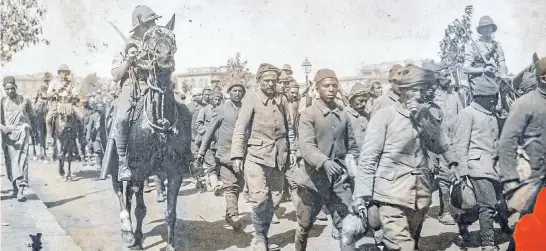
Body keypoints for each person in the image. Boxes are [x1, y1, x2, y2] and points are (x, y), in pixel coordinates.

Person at [353, 64, 457, 250]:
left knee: (408, 244)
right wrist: (362, 195)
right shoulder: (384, 116)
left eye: (422, 90)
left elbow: (441, 145)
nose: (419, 95)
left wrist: (422, 121)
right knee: (403, 246)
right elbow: (368, 158)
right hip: (391, 196)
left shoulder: (426, 115)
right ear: (403, 91)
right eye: (414, 90)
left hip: (420, 195)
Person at [231, 63, 296, 251]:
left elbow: (289, 127)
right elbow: (240, 128)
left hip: (279, 157)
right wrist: (236, 155)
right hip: (256, 156)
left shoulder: (282, 99)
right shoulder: (251, 99)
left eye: (273, 81)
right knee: (259, 199)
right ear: (259, 82)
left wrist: (292, 151)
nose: (270, 84)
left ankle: (264, 235)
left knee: (275, 200)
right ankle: (259, 238)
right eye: (266, 81)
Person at [293, 68, 359, 251]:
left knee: (346, 225)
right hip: (312, 181)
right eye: (326, 86)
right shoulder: (308, 114)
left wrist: (353, 171)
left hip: (338, 180)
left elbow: (352, 146)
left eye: (334, 86)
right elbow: (306, 147)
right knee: (305, 224)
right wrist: (324, 162)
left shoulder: (343, 114)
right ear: (317, 88)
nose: (331, 89)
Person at [109, 5, 162, 181]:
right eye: (150, 22)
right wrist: (128, 60)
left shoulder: (156, 42)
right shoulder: (124, 44)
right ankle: (123, 164)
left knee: (179, 109)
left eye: (154, 21)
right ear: (140, 25)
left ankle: (182, 159)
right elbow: (116, 76)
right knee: (122, 118)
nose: (153, 25)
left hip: (153, 85)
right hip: (131, 86)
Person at [499, 57, 546, 251]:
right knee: (528, 223)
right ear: (544, 78)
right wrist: (510, 179)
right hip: (533, 178)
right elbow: (506, 142)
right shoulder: (525, 104)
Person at [452, 76, 504, 251]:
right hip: (477, 168)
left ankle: (463, 224)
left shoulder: (492, 113)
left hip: (494, 168)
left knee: (483, 206)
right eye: (489, 96)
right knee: (488, 206)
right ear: (479, 96)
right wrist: (462, 172)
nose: (493, 99)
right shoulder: (467, 114)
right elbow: (460, 145)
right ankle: (487, 244)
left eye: (494, 96)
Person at [197, 80, 246, 231]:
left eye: (240, 91)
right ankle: (234, 215)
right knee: (230, 186)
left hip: (244, 156)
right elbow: (210, 130)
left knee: (239, 185)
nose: (237, 93)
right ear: (229, 94)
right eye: (234, 91)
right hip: (226, 155)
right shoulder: (222, 109)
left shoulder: (247, 108)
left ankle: (229, 214)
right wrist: (202, 151)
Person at [423, 62, 464, 225]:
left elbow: (461, 117)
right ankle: (441, 210)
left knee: (449, 177)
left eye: (449, 74)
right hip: (433, 147)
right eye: (444, 75)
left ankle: (447, 209)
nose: (448, 78)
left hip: (451, 143)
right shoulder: (429, 98)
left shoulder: (453, 95)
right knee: (437, 179)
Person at [1, 76, 35, 202]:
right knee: (10, 162)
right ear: (4, 89)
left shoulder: (24, 100)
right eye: (7, 89)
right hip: (8, 136)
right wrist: (3, 127)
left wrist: (33, 129)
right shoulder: (2, 101)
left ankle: (21, 190)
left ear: (16, 87)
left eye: (12, 88)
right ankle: (15, 188)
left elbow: (32, 115)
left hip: (22, 132)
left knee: (22, 161)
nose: (10, 91)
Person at [463, 15, 508, 90]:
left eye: (489, 27)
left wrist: (503, 75)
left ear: (492, 28)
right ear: (480, 30)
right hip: (479, 87)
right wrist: (483, 70)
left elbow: (502, 65)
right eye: (484, 27)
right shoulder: (472, 47)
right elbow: (466, 69)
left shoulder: (497, 47)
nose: (487, 29)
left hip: (496, 84)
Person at [45, 64, 84, 146]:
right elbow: (48, 95)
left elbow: (76, 95)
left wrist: (74, 96)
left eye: (66, 72)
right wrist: (56, 92)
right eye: (62, 72)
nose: (64, 74)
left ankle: (81, 136)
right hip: (58, 103)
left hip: (69, 104)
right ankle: (49, 136)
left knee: (81, 117)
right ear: (59, 73)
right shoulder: (54, 83)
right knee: (48, 119)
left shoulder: (70, 84)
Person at [196, 90, 222, 193]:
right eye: (215, 99)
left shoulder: (223, 110)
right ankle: (215, 186)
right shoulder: (204, 110)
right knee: (211, 164)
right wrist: (208, 130)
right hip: (208, 143)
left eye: (220, 99)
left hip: (220, 142)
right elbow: (198, 125)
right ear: (211, 100)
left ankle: (210, 182)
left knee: (218, 164)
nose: (218, 101)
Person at [345, 82, 372, 149]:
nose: (363, 104)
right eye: (361, 100)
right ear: (352, 99)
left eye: (366, 101)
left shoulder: (367, 115)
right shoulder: (345, 114)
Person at [187, 88, 206, 157]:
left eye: (201, 94)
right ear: (194, 97)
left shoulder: (205, 106)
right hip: (192, 135)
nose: (201, 96)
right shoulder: (188, 107)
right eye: (199, 95)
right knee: (194, 154)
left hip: (202, 135)